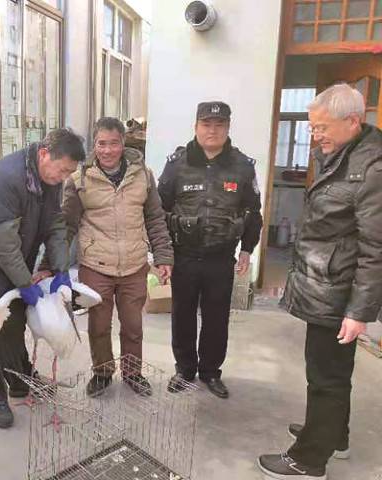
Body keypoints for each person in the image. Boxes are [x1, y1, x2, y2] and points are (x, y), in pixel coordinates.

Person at [258, 85, 382, 479]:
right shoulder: (341, 155)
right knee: (331, 371)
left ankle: (309, 459)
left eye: (321, 127)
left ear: (352, 121)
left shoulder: (372, 169)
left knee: (326, 376)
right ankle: (333, 436)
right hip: (328, 284)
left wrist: (359, 312)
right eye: (312, 128)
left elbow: (376, 246)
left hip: (340, 292)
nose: (315, 136)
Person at [0, 128, 84, 429]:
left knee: (14, 323)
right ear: (44, 154)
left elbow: (55, 224)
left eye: (69, 172)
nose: (64, 177)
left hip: (14, 262)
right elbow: (2, 242)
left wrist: (61, 268)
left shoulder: (49, 179)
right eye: (62, 169)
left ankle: (20, 380)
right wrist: (24, 283)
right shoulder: (5, 178)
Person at [158, 101, 263, 399]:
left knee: (217, 318)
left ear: (228, 128)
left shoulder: (242, 166)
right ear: (196, 127)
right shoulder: (177, 164)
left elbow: (253, 212)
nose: (212, 130)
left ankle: (210, 372)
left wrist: (247, 249)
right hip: (184, 255)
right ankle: (184, 369)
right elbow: (158, 210)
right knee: (182, 315)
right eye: (206, 124)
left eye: (219, 125)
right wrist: (162, 254)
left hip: (220, 257)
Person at [62, 117, 173, 397]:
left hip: (134, 265)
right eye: (102, 144)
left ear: (123, 143)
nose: (108, 150)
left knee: (133, 325)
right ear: (94, 144)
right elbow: (66, 227)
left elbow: (155, 218)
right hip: (95, 265)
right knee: (99, 325)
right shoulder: (79, 179)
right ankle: (102, 372)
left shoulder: (143, 175)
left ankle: (133, 373)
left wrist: (163, 256)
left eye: (114, 143)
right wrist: (51, 264)